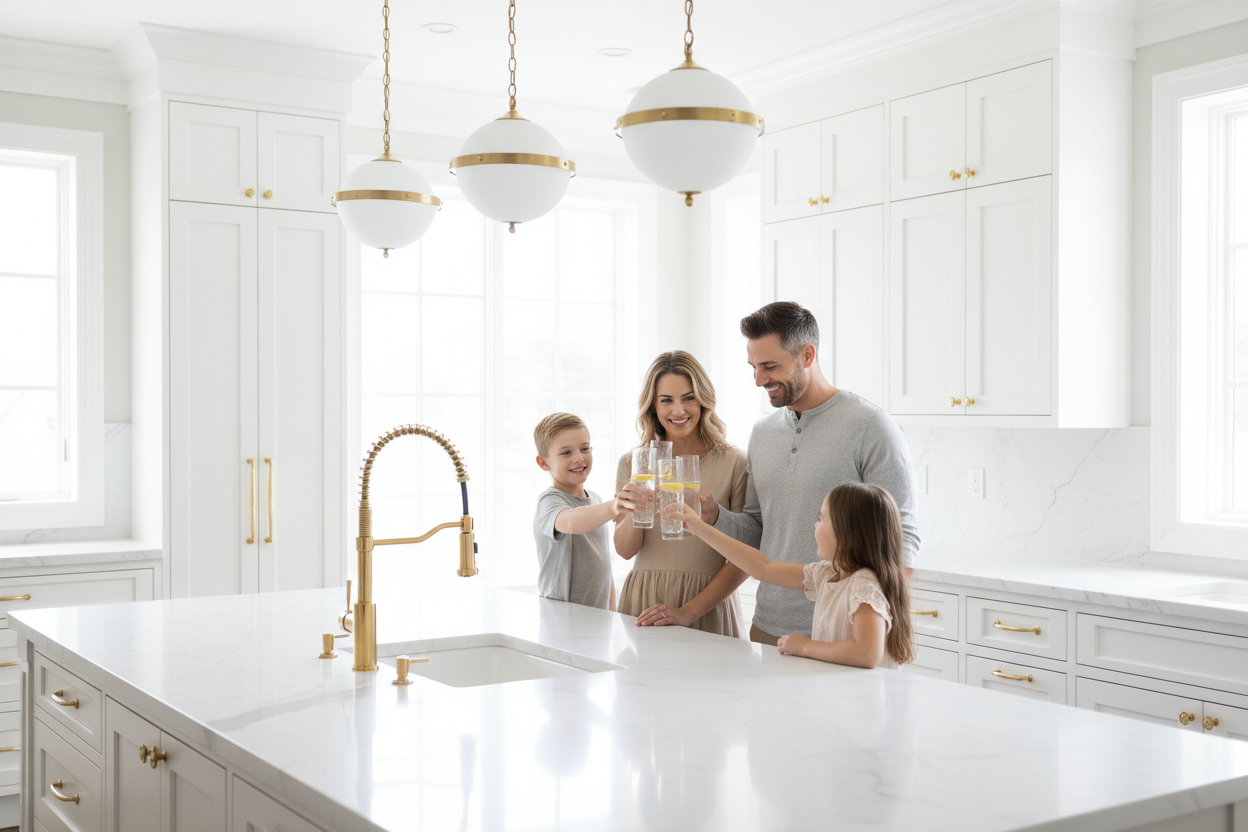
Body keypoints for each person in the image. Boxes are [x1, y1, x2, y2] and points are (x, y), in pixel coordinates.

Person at [702, 302, 920, 646]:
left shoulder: (871, 426)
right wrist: (715, 517)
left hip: (840, 633)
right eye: (754, 367)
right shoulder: (762, 432)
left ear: (807, 355)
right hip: (768, 628)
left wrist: (878, 627)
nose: (759, 380)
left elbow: (902, 537)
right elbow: (758, 528)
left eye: (770, 366)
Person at [668, 482, 915, 669]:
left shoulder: (864, 586)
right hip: (843, 696)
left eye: (821, 519)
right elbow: (764, 567)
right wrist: (701, 529)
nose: (815, 526)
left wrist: (806, 646)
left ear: (847, 533)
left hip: (865, 710)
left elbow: (867, 654)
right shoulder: (829, 574)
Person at [613, 352, 748, 636]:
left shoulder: (735, 462)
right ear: (652, 405)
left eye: (689, 398)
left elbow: (746, 556)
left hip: (707, 603)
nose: (678, 410)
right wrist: (638, 508)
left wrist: (690, 612)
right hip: (644, 601)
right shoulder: (634, 463)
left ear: (704, 399)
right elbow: (625, 551)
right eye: (666, 400)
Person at [532, 412, 619, 610]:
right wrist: (615, 506)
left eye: (585, 448)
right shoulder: (549, 501)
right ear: (544, 463)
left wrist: (612, 611)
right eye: (566, 453)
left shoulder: (595, 500)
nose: (579, 458)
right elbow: (571, 522)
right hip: (560, 618)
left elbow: (604, 566)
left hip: (597, 619)